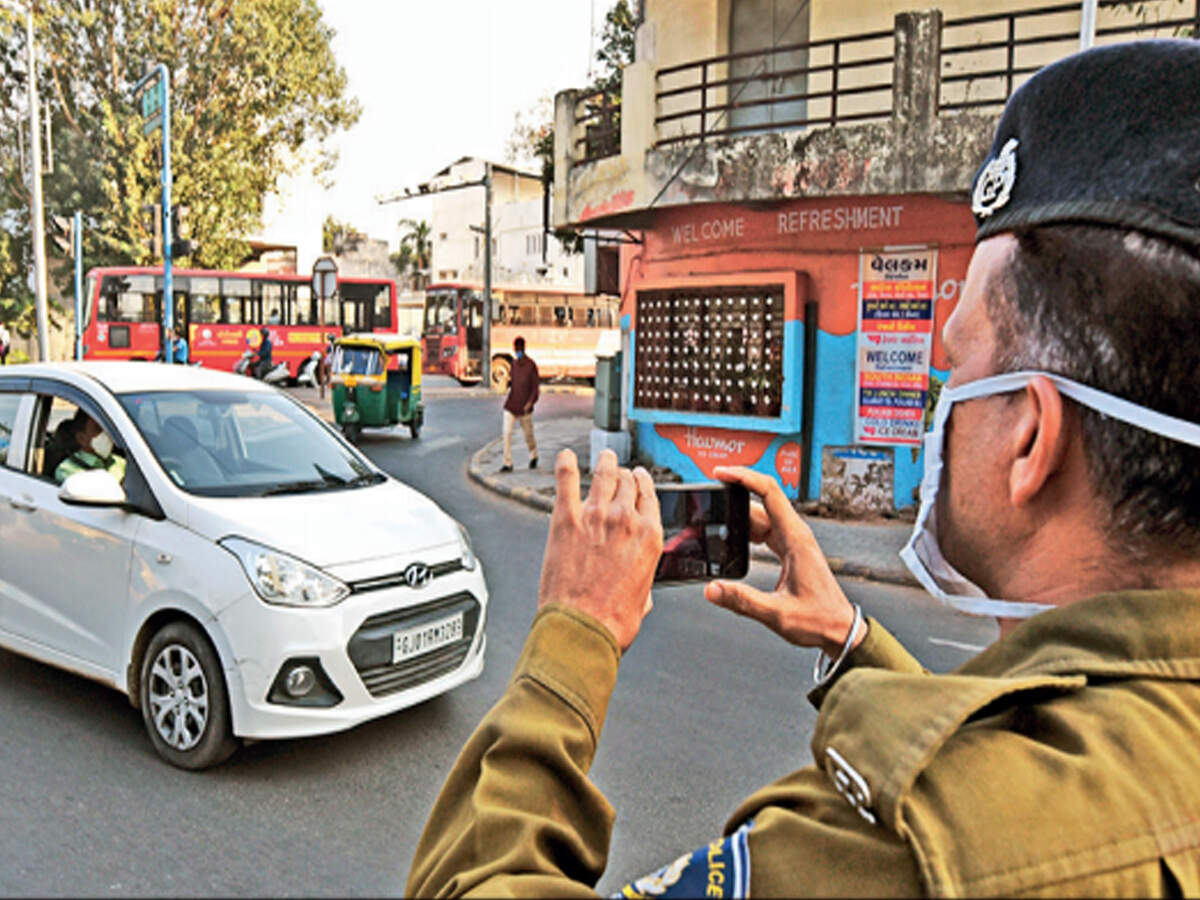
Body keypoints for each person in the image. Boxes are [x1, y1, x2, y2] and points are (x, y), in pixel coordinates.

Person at [407, 40, 1200, 896]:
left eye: (959, 369)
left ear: (1030, 444)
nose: (941, 395)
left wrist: (575, 632)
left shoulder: (899, 854)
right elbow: (1034, 761)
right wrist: (848, 637)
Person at [499, 335, 538, 473]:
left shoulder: (531, 366)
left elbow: (535, 388)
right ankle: (507, 463)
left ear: (524, 349)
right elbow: (512, 383)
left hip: (525, 408)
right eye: (516, 349)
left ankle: (534, 455)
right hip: (511, 404)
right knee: (506, 433)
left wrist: (530, 403)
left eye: (520, 349)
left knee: (528, 435)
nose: (518, 351)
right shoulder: (514, 365)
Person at [54, 411, 126, 485]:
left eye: (107, 428)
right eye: (98, 429)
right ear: (81, 438)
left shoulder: (120, 462)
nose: (106, 434)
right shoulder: (67, 470)